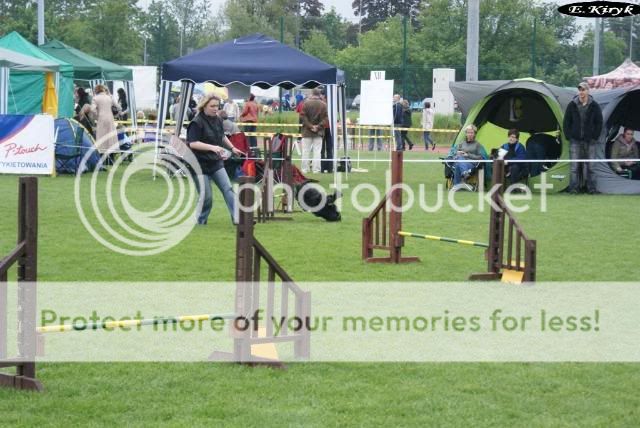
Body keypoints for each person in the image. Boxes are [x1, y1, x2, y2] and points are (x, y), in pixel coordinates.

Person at [186, 94, 244, 225]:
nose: (215, 108)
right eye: (212, 106)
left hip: (215, 163)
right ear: (204, 106)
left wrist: (232, 148)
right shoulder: (196, 122)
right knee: (206, 197)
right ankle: (200, 220)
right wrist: (213, 148)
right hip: (199, 164)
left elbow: (222, 136)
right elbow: (193, 143)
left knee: (228, 189)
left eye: (217, 106)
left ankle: (238, 218)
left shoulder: (218, 119)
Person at [563, 82, 603, 194]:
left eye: (583, 90)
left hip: (590, 141)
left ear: (588, 91)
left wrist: (594, 137)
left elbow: (599, 122)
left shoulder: (595, 105)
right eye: (580, 90)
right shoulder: (572, 105)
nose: (581, 92)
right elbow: (566, 122)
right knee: (574, 167)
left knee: (591, 167)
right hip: (575, 141)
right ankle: (574, 188)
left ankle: (592, 189)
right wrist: (569, 136)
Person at [300, 88, 328, 174]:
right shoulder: (324, 105)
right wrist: (318, 127)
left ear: (312, 94)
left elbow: (303, 116)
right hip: (318, 132)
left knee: (305, 151)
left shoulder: (306, 103)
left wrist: (310, 126)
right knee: (317, 152)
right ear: (319, 95)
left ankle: (305, 169)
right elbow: (326, 119)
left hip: (307, 131)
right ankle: (316, 169)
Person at [91, 84, 120, 154]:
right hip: (110, 118)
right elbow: (118, 107)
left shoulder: (95, 98)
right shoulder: (109, 97)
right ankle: (112, 154)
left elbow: (92, 109)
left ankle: (102, 153)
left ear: (96, 90)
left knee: (101, 136)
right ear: (103, 89)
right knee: (111, 136)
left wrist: (96, 116)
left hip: (101, 118)